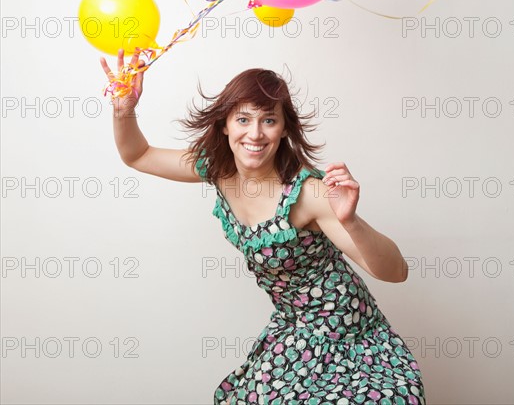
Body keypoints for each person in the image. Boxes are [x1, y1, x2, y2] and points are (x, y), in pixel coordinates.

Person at [100, 49, 426, 404]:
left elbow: (397, 271)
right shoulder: (218, 168)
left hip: (349, 336)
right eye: (243, 119)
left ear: (284, 128)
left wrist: (351, 221)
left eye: (268, 120)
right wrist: (124, 110)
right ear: (225, 125)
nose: (255, 133)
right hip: (295, 331)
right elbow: (138, 155)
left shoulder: (308, 193)